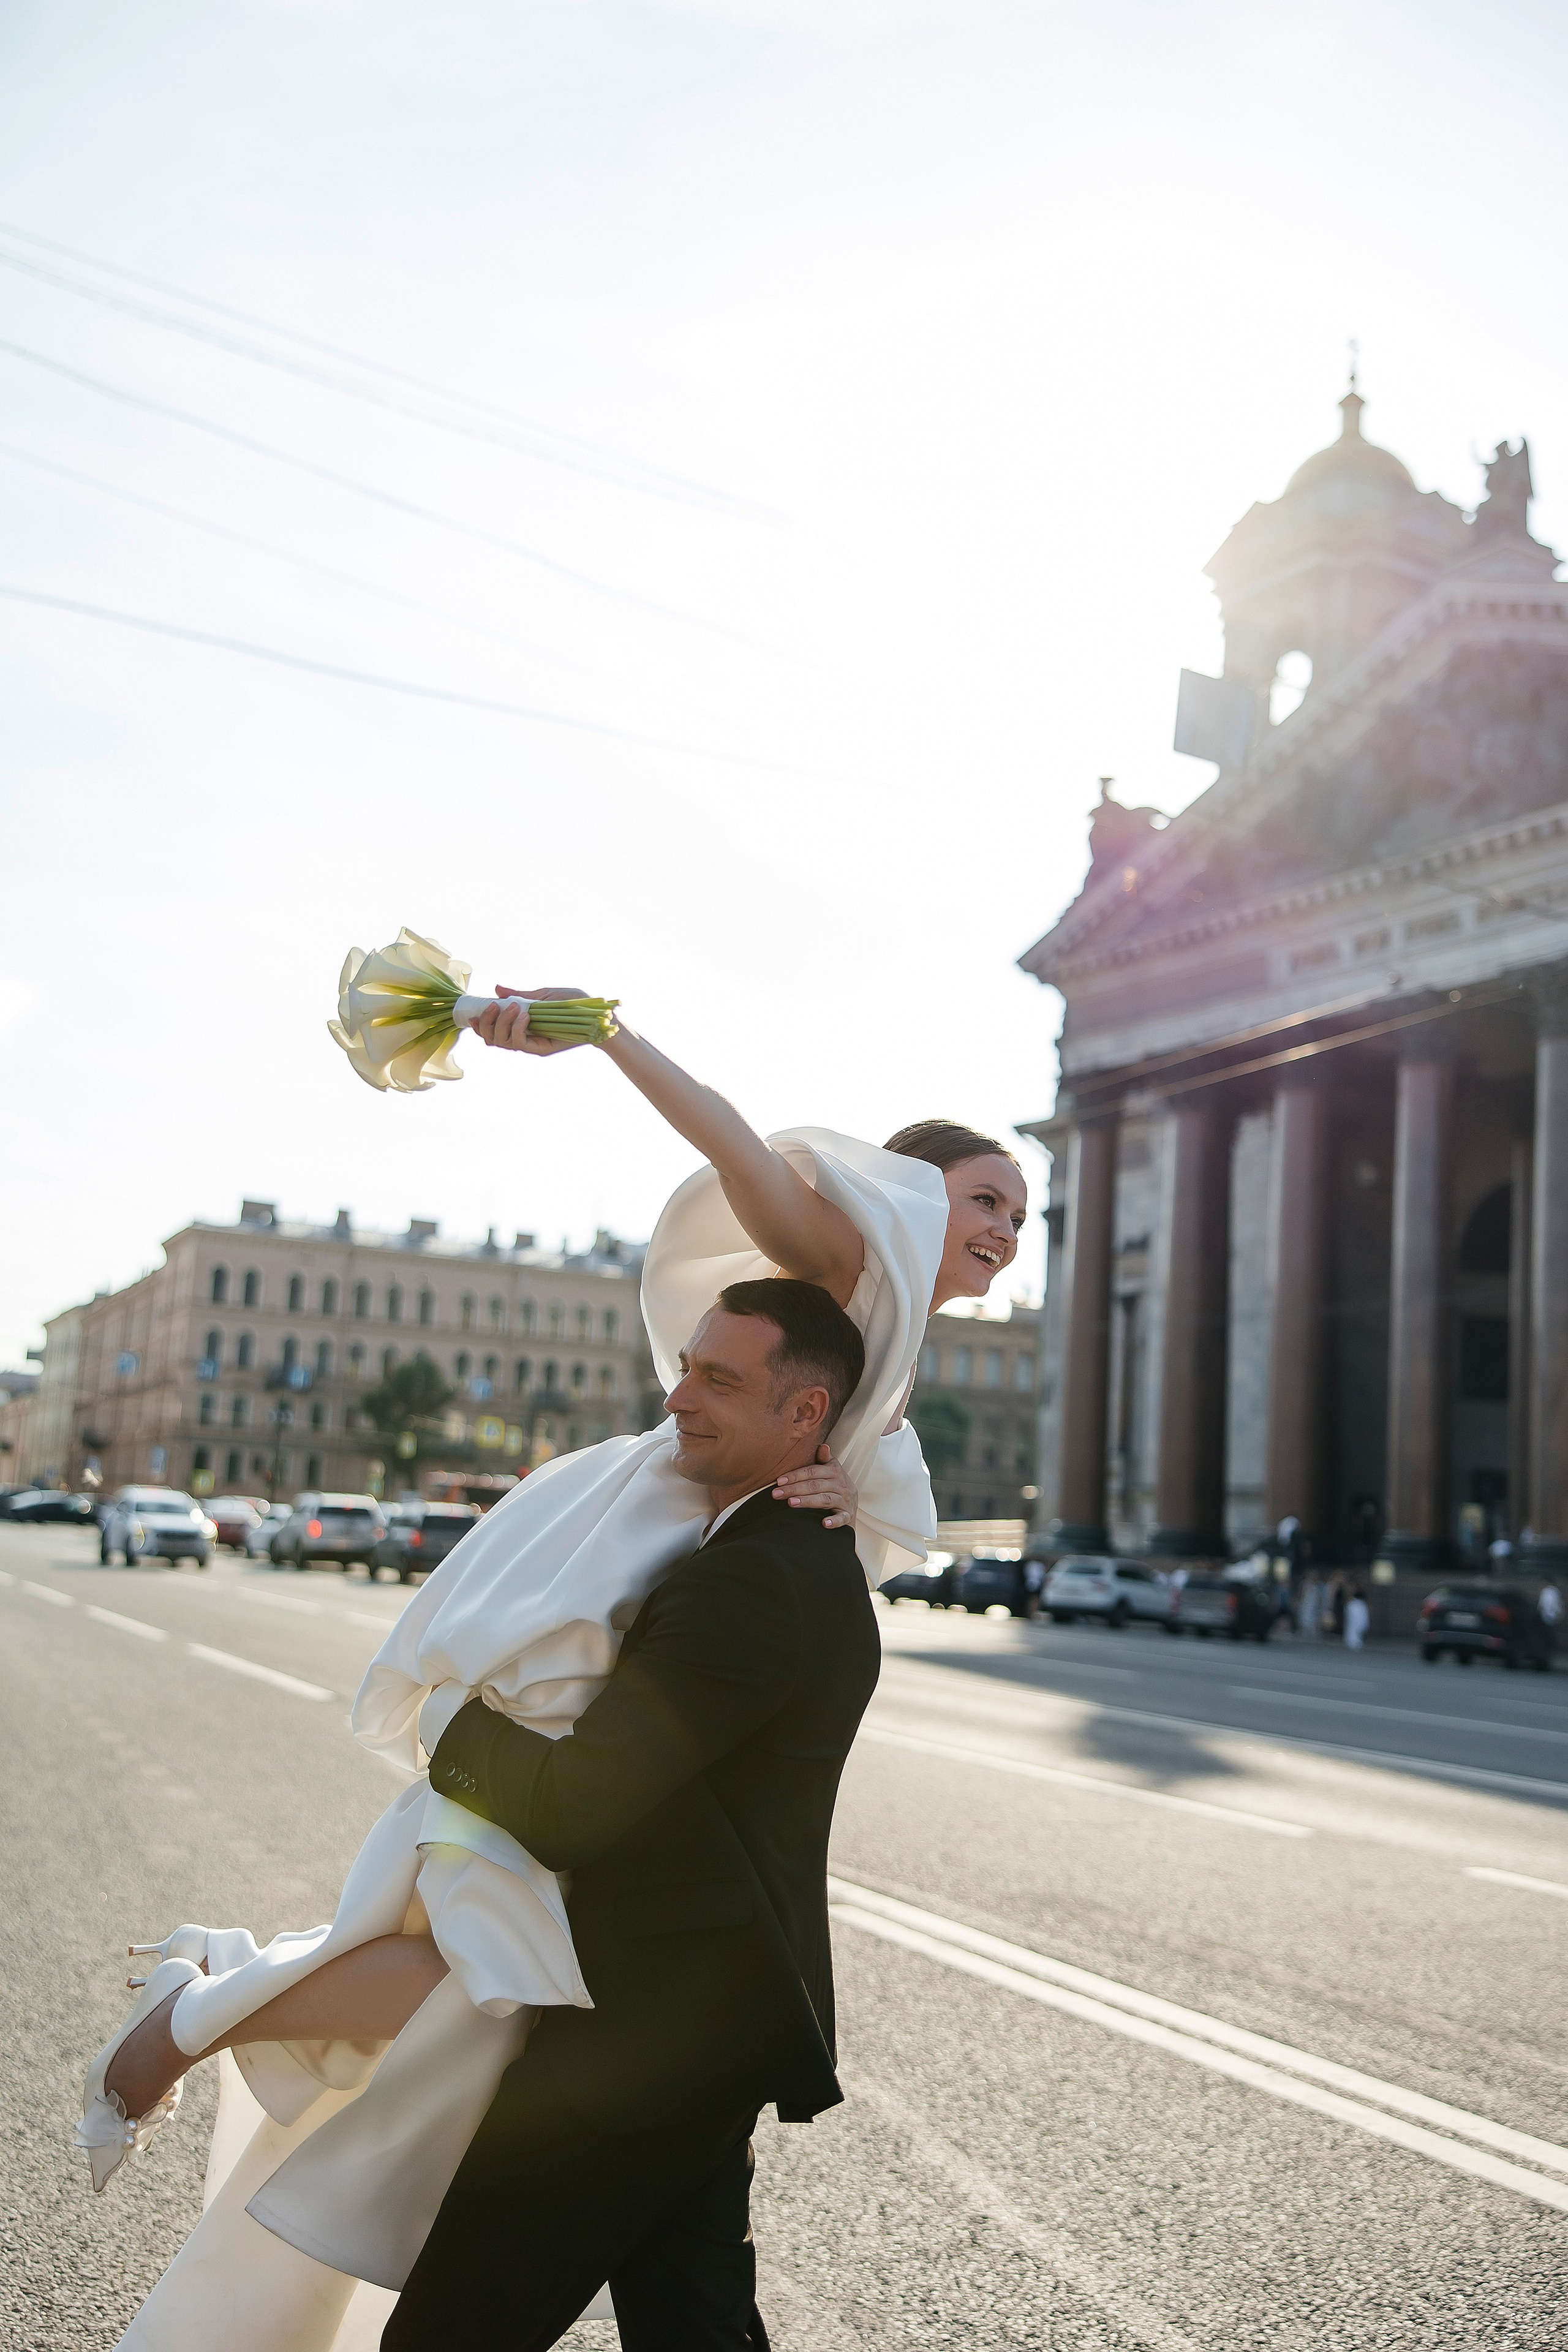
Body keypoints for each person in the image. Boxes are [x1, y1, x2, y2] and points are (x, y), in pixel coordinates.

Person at [81, 998, 1028, 2351]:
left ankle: (209, 2008)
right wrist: (602, 1035)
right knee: (486, 1922)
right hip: (649, 1551)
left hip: (679, 1890)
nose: (1000, 1226)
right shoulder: (840, 1257)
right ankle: (204, 2010)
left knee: (494, 1942)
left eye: (1019, 1214)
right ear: (909, 1187)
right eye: (983, 1195)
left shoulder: (864, 1380)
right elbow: (736, 1146)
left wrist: (842, 1486)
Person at [1343, 1583, 1370, 1651]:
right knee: (1353, 1623)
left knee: (1361, 1623)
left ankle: (1356, 1639)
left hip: (1359, 1604)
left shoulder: (1361, 1602)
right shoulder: (1352, 1603)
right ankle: (1351, 1640)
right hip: (1354, 1604)